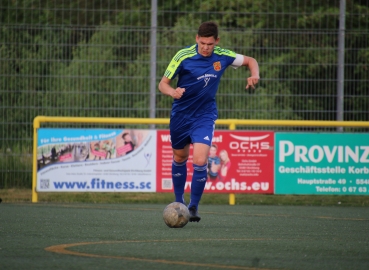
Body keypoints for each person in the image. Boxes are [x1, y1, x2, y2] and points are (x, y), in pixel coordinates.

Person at [158, 21, 259, 222]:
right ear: (197, 39)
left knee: (200, 161)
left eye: (210, 44)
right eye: (202, 43)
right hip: (181, 115)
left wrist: (254, 75)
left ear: (216, 42)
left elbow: (250, 60)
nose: (206, 47)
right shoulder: (183, 56)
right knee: (180, 157)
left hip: (205, 115)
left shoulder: (223, 55)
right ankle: (179, 203)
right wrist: (173, 92)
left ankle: (193, 207)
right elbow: (163, 83)